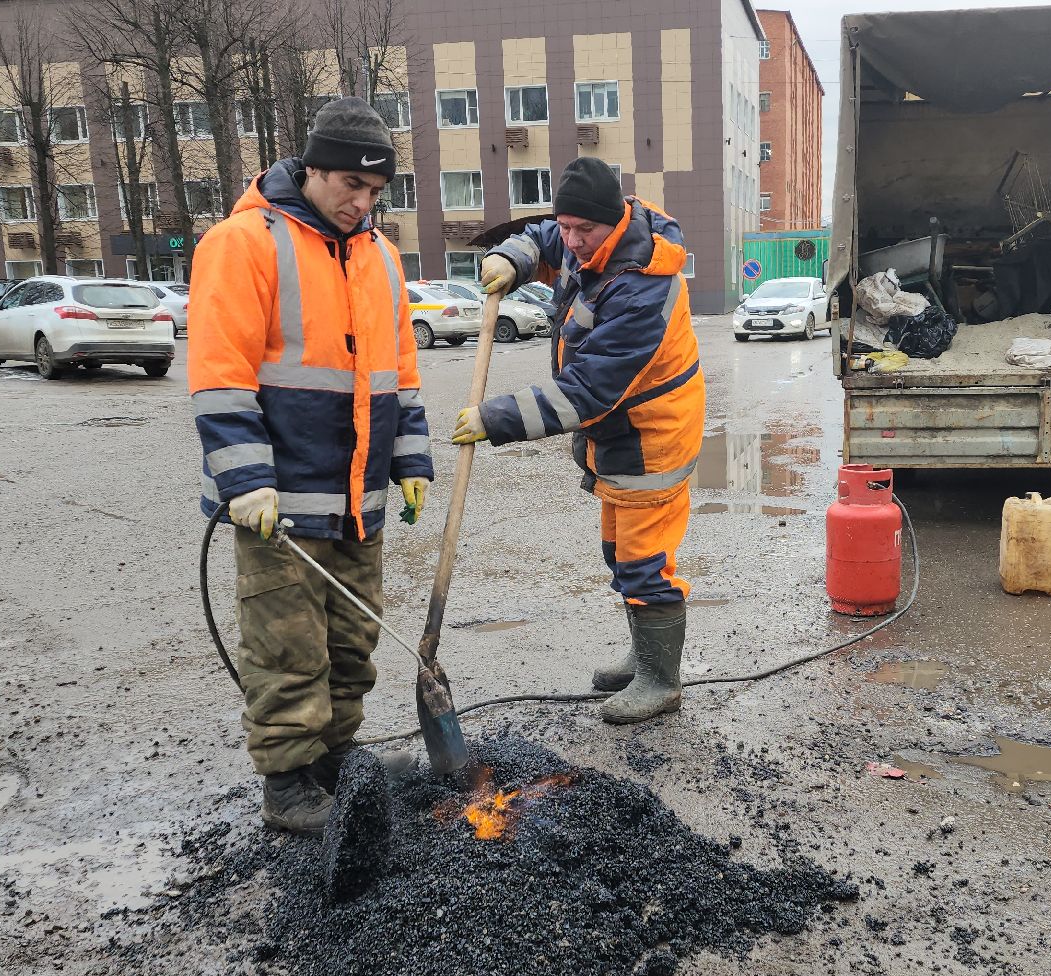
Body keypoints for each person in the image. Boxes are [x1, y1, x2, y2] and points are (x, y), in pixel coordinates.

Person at [189, 97, 433, 834]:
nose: (362, 204)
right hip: (279, 500)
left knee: (352, 640)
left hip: (357, 495)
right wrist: (247, 482)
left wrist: (411, 459)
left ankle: (336, 757)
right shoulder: (244, 243)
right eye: (350, 188)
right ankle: (289, 784)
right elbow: (220, 373)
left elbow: (401, 374)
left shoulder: (381, 259)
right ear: (312, 168)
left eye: (375, 193)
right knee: (286, 642)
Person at [454, 157, 705, 725]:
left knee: (645, 560)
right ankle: (645, 655)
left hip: (650, 434)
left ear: (613, 221)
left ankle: (661, 680)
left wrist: (496, 419)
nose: (570, 241)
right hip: (618, 431)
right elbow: (545, 236)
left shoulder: (643, 285)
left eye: (582, 231)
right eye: (566, 227)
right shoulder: (586, 237)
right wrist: (512, 258)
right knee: (618, 550)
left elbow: (588, 391)